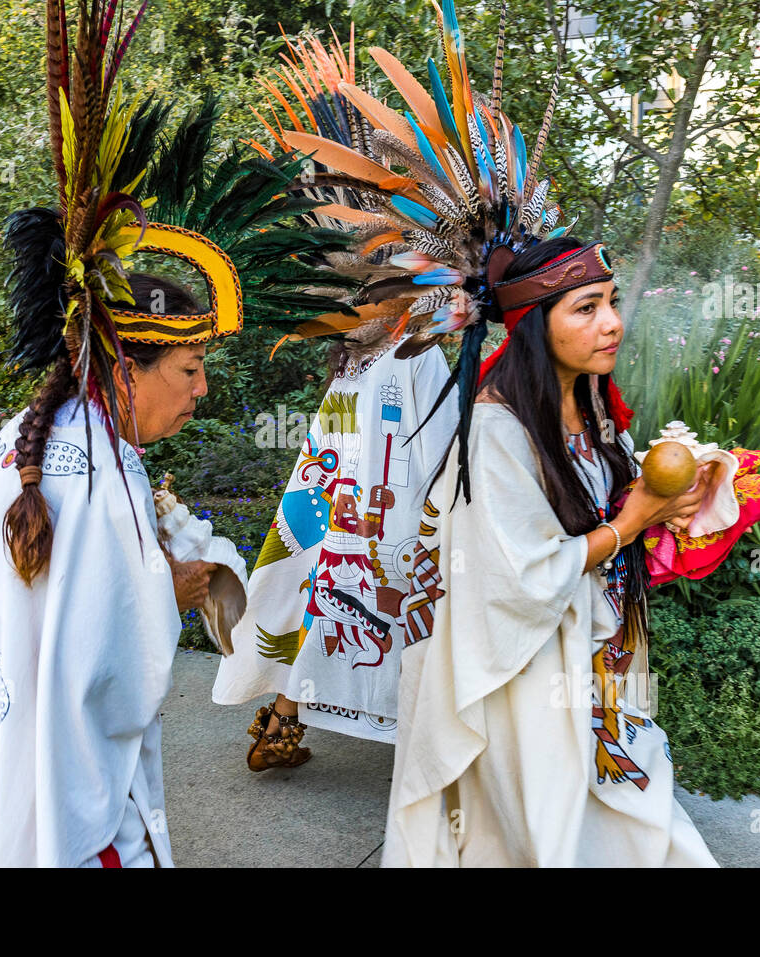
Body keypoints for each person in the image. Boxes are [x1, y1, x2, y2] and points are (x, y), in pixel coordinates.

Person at [0, 10, 349, 867]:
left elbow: (66, 625)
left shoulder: (57, 440)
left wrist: (157, 578)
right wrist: (177, 584)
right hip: (29, 773)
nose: (202, 389)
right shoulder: (83, 470)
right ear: (126, 368)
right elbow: (102, 663)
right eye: (189, 368)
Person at [264, 2, 717, 865]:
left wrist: (682, 497)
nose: (612, 322)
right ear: (536, 324)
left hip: (593, 656)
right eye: (588, 307)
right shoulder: (499, 430)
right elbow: (518, 572)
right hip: (522, 678)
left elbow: (599, 517)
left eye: (612, 301)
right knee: (554, 827)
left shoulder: (587, 408)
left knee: (622, 813)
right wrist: (636, 519)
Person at [213, 338, 456, 767]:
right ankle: (442, 759)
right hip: (390, 522)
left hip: (338, 510)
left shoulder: (357, 352)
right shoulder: (418, 351)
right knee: (417, 626)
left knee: (319, 613)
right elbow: (445, 451)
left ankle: (279, 728)